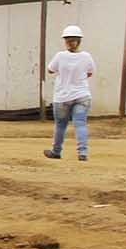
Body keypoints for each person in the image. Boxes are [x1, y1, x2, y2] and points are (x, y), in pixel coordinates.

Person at [45, 24, 96, 162]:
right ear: (79, 40)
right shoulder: (86, 56)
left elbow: (50, 69)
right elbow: (90, 73)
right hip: (82, 95)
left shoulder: (60, 56)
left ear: (65, 40)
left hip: (62, 96)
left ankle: (56, 151)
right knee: (80, 124)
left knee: (60, 125)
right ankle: (82, 153)